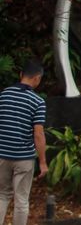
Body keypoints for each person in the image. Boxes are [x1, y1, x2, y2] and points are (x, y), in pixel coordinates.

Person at [0, 59, 47, 225]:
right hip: (23, 157)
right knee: (21, 200)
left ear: (21, 75)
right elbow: (39, 135)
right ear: (37, 79)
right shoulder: (37, 101)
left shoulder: (3, 95)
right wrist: (42, 162)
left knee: (2, 195)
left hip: (2, 155)